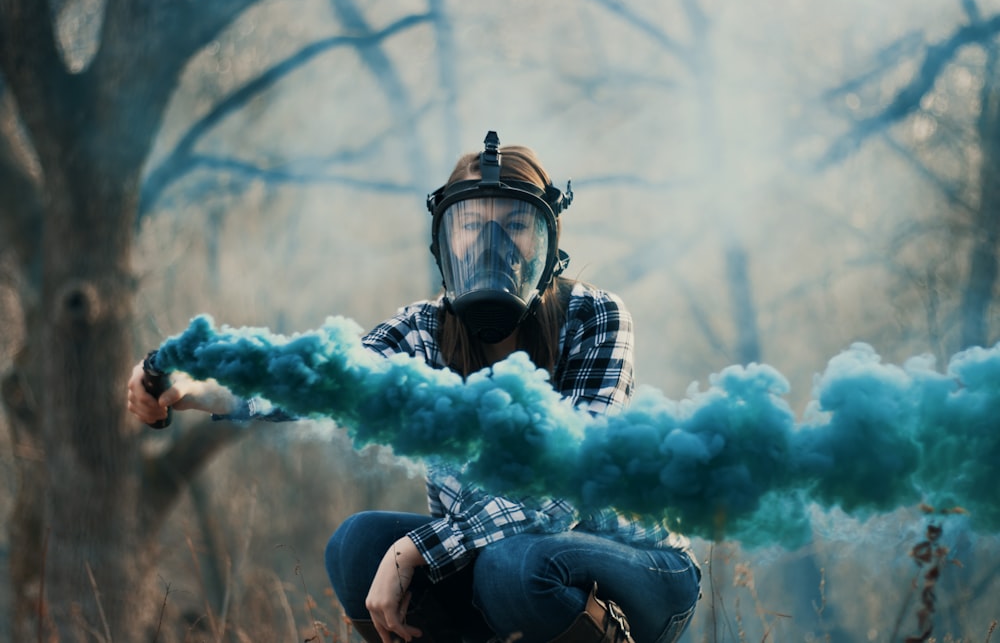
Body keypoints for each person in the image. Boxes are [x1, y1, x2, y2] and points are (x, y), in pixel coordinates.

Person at [127, 131, 701, 643]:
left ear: (550, 241)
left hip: (636, 566)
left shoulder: (596, 315)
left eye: (516, 225)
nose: (491, 245)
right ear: (444, 241)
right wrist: (189, 385)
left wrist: (419, 548)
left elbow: (567, 487)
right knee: (359, 545)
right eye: (473, 224)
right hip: (499, 563)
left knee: (514, 565)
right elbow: (322, 379)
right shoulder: (422, 329)